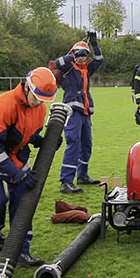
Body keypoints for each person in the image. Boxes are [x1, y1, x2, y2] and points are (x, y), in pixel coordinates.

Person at [0, 67, 57, 267]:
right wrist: (16, 173)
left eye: (44, 99)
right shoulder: (3, 105)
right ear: (27, 87)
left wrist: (41, 141)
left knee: (23, 203)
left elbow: (27, 132)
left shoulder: (39, 106)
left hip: (15, 156)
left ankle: (22, 251)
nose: (39, 103)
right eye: (37, 97)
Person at [51, 32, 103, 194]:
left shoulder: (86, 68)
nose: (82, 57)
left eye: (84, 54)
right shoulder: (68, 67)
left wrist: (94, 44)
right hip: (72, 112)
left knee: (86, 145)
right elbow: (57, 63)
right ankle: (66, 181)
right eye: (79, 54)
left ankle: (82, 175)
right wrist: (72, 56)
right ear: (73, 54)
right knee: (73, 144)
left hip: (86, 112)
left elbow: (99, 60)